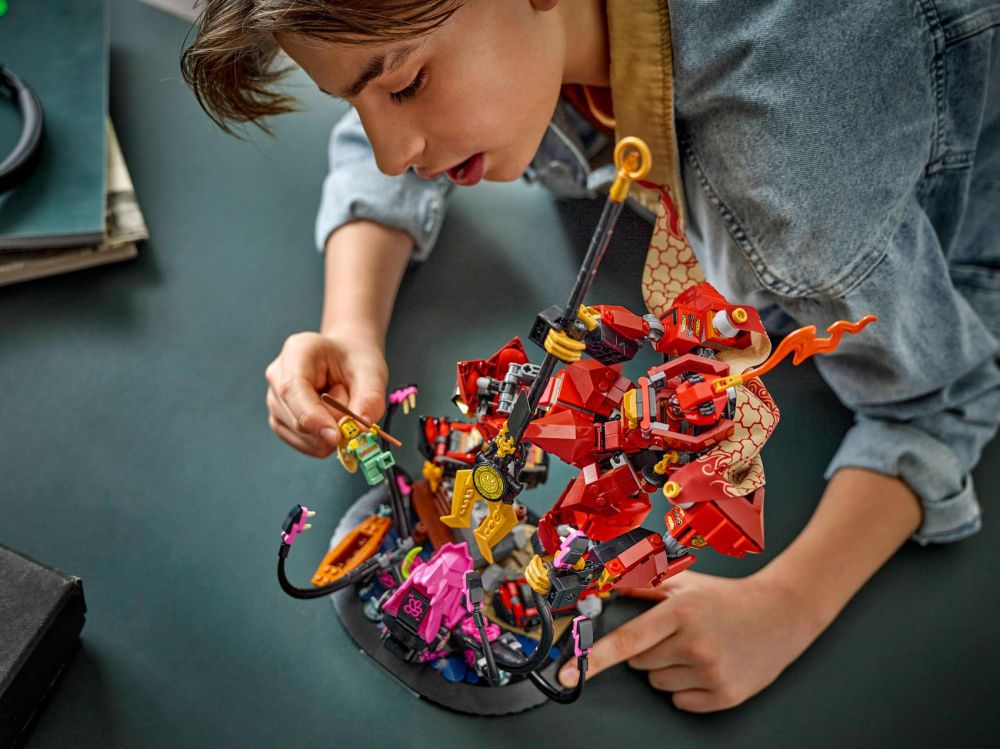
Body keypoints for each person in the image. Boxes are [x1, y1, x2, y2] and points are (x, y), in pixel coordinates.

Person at [181, 0, 1000, 712]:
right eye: (356, 100)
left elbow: (939, 403)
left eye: (404, 86)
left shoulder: (792, 192)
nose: (393, 149)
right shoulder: (497, 44)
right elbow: (389, 131)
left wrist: (788, 605)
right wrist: (351, 325)